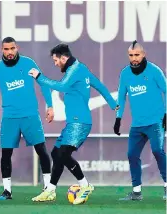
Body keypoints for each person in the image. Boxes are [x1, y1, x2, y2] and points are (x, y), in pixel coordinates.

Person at [29, 43, 119, 205]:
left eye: (56, 60)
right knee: (57, 154)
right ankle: (50, 190)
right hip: (74, 122)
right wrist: (113, 104)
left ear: (64, 58)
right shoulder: (81, 69)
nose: (55, 64)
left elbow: (62, 86)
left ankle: (85, 186)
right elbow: (100, 86)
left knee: (63, 154)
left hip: (80, 122)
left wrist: (39, 77)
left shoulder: (74, 70)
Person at [0, 37, 54, 200]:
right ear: (2, 50)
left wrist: (49, 106)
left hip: (30, 115)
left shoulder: (29, 63)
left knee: (41, 150)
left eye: (12, 48)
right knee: (6, 153)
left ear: (17, 48)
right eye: (6, 49)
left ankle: (48, 187)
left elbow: (43, 83)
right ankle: (7, 191)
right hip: (9, 117)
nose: (9, 52)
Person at [114, 40, 166, 201]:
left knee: (158, 151)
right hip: (137, 125)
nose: (134, 58)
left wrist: (165, 114)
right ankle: (136, 192)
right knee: (132, 154)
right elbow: (121, 97)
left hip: (155, 122)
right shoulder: (125, 74)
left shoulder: (154, 71)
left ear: (143, 54)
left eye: (137, 54)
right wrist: (118, 118)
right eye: (131, 55)